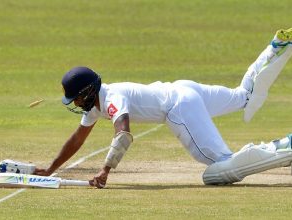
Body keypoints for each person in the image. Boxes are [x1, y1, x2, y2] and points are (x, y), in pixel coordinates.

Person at [31, 28, 292, 187]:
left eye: (76, 98)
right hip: (183, 89)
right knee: (243, 96)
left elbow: (123, 134)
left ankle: (282, 148)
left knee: (219, 170)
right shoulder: (98, 103)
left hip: (178, 107)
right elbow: (77, 139)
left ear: (87, 92)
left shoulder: (111, 99)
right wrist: (51, 169)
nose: (75, 103)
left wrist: (105, 170)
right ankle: (277, 47)